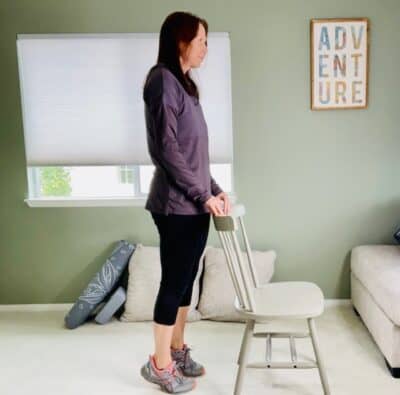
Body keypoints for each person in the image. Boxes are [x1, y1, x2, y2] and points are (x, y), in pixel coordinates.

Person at [140, 11, 231, 394]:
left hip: (194, 205)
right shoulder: (162, 81)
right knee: (174, 284)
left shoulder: (185, 86)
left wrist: (215, 188)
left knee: (186, 284)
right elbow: (167, 150)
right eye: (202, 41)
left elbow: (196, 156)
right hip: (175, 207)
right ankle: (158, 364)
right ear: (181, 42)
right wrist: (201, 194)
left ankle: (176, 349)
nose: (206, 48)